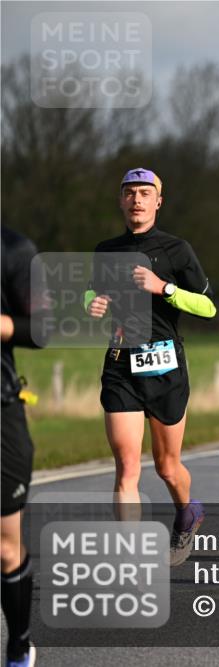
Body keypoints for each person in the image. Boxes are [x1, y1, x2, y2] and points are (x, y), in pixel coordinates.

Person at [86, 168, 217, 566]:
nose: (137, 200)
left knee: (166, 466)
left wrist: (165, 288)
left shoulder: (177, 250)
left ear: (159, 201)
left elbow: (209, 307)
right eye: (129, 193)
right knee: (127, 466)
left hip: (165, 365)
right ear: (121, 201)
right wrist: (91, 302)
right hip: (121, 363)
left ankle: (187, 512)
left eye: (145, 193)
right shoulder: (105, 250)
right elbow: (94, 290)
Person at [2, 228, 49, 667]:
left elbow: (43, 329)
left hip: (0, 414)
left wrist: (3, 325)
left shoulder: (14, 249)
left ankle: (19, 643)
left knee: (5, 547)